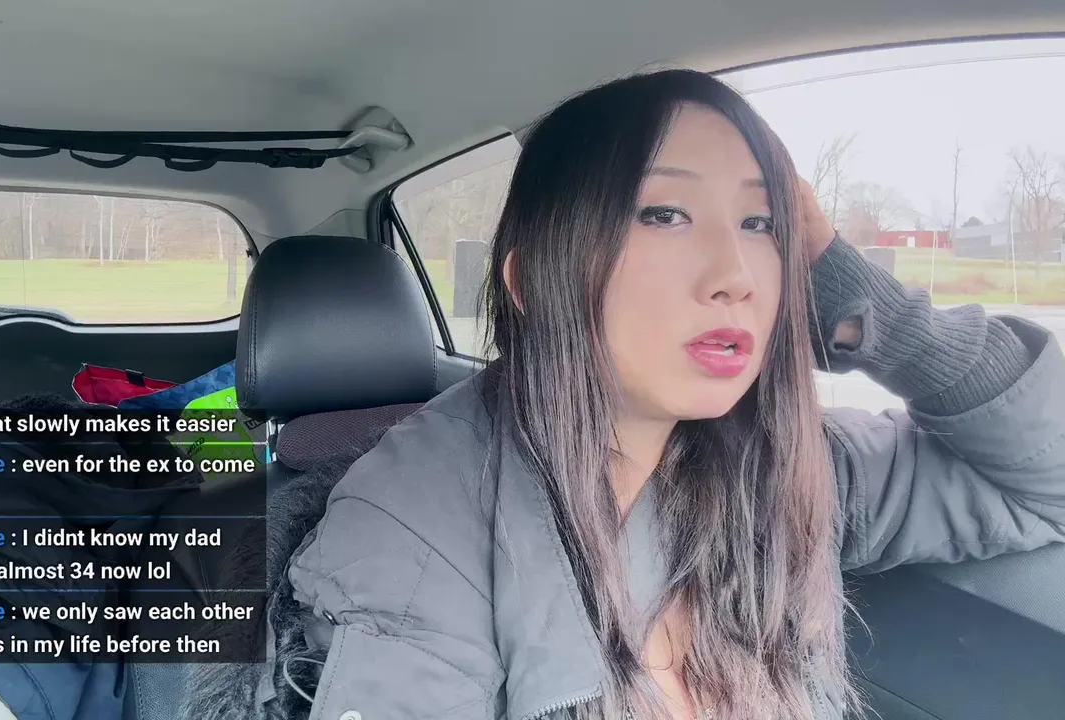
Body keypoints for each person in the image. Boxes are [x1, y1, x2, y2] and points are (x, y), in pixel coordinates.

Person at [272, 69, 1065, 720]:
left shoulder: (786, 467)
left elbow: (1047, 476)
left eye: (763, 224)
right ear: (532, 281)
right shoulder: (411, 532)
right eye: (665, 213)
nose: (735, 276)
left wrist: (847, 294)